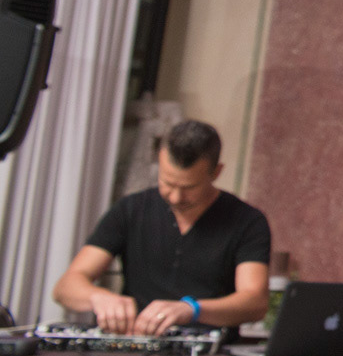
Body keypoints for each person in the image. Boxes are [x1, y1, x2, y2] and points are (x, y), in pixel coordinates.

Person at [53, 120, 270, 334]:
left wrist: (192, 310)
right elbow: (65, 287)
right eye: (167, 183)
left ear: (216, 172)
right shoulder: (130, 209)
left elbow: (255, 302)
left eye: (189, 187)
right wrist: (98, 297)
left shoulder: (248, 221)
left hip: (209, 348)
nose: (176, 197)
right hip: (135, 343)